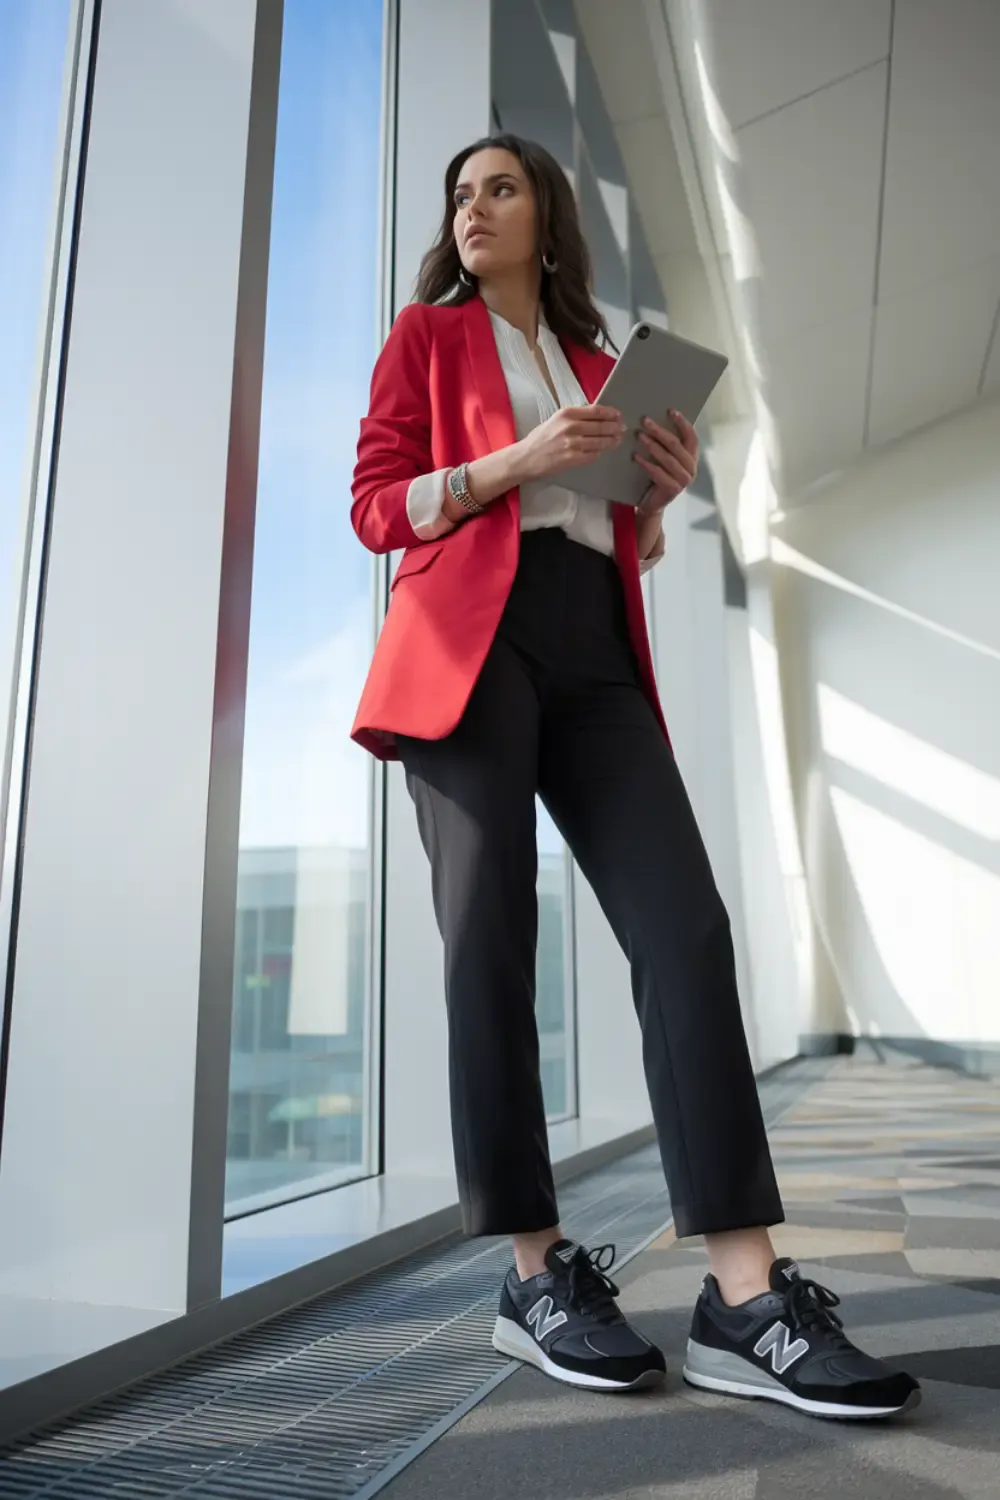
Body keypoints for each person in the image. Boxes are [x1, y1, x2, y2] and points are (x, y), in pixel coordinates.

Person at [349, 132, 919, 1420]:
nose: (474, 207)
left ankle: (743, 1295)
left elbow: (619, 538)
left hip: (598, 654)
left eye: (500, 187)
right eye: (461, 192)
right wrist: (515, 463)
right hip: (469, 650)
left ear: (548, 214)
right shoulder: (426, 340)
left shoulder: (604, 365)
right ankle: (536, 1274)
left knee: (686, 932)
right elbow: (377, 505)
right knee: (486, 938)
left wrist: (650, 504)